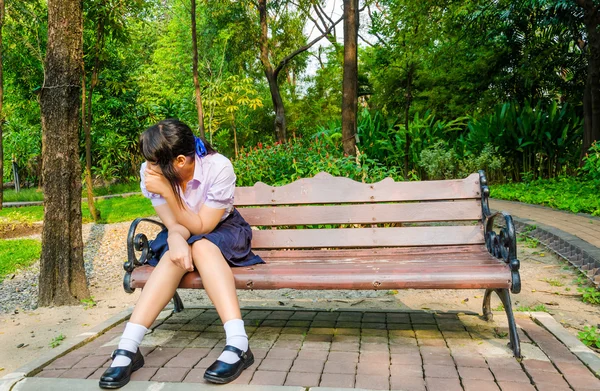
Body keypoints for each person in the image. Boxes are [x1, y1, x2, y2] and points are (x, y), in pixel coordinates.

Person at [99, 119, 265, 388]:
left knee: (201, 245)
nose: (148, 169)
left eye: (154, 164)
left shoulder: (218, 167)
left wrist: (168, 192)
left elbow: (203, 226)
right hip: (181, 229)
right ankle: (128, 348)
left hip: (223, 229)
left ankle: (238, 344)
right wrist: (175, 238)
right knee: (173, 256)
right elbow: (176, 224)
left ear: (178, 161)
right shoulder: (151, 170)